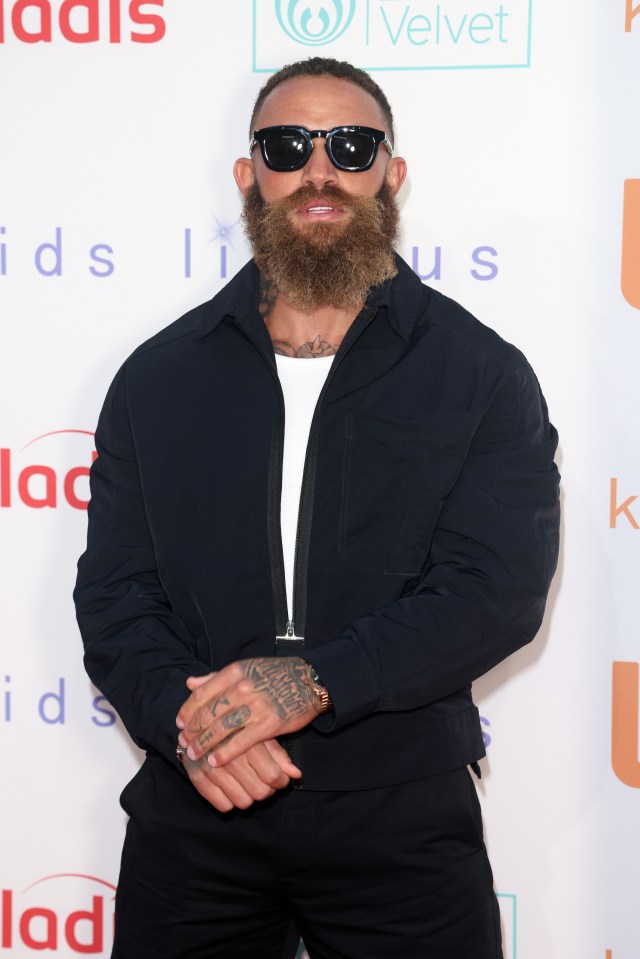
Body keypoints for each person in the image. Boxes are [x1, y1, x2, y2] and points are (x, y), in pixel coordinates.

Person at [74, 57, 560, 959]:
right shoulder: (159, 375)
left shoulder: (479, 371)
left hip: (401, 812)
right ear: (249, 172)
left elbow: (495, 590)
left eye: (351, 144)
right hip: (200, 807)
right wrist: (200, 732)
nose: (320, 170)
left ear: (392, 172)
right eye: (289, 145)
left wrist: (307, 680)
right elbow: (116, 594)